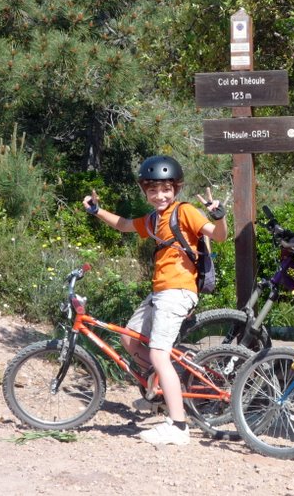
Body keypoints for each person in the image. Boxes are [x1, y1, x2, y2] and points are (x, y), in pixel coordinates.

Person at [82, 155, 227, 446]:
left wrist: (219, 215)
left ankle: (178, 426)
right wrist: (97, 211)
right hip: (159, 292)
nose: (159, 195)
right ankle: (160, 391)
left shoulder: (184, 211)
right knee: (130, 339)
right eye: (153, 190)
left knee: (159, 354)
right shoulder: (154, 219)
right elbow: (124, 224)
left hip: (178, 290)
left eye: (165, 189)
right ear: (145, 191)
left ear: (176, 189)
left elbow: (219, 236)